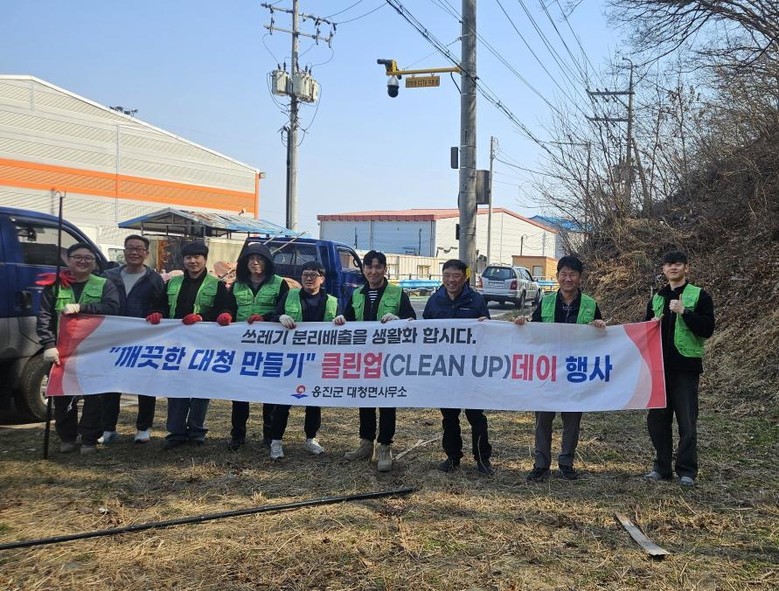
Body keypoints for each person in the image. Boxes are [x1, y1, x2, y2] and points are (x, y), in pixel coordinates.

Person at [514, 255, 606, 482]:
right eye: (564, 274)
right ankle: (541, 465)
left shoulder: (590, 304)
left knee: (572, 420)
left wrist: (599, 326)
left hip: (575, 371)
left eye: (572, 274)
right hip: (548, 370)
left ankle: (566, 463)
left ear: (580, 278)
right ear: (557, 277)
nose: (568, 278)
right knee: (542, 420)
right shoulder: (546, 302)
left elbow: (601, 339)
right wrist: (524, 324)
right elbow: (534, 331)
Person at [334, 250, 416, 472]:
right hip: (364, 357)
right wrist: (341, 319)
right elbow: (349, 319)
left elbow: (412, 319)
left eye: (378, 267)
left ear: (385, 269)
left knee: (387, 401)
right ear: (363, 269)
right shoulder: (357, 294)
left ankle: (385, 446)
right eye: (369, 267)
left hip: (389, 358)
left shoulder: (397, 293)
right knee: (366, 398)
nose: (373, 271)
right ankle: (366, 443)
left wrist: (398, 319)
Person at [146, 240, 232, 449]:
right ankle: (176, 432)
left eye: (197, 257)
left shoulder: (216, 285)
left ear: (205, 259)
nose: (193, 261)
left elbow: (225, 309)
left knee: (200, 388)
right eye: (188, 258)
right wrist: (158, 313)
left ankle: (196, 431)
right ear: (183, 260)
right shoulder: (172, 283)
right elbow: (160, 304)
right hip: (175, 343)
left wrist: (204, 317)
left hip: (204, 344)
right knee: (176, 386)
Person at [36, 242, 120, 455]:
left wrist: (83, 308)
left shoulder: (104, 284)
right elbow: (44, 316)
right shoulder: (55, 286)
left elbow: (112, 308)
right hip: (62, 351)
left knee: (95, 396)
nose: (83, 261)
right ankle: (67, 437)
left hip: (94, 349)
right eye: (78, 257)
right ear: (68, 260)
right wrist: (48, 344)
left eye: (88, 258)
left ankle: (89, 438)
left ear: (94, 262)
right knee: (62, 395)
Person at [644, 250, 715, 487]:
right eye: (668, 264)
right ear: (663, 270)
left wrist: (684, 312)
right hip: (658, 369)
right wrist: (651, 324)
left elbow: (707, 328)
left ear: (686, 268)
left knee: (687, 422)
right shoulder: (657, 298)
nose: (673, 268)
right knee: (657, 421)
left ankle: (687, 470)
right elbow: (644, 331)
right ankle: (661, 467)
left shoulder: (699, 295)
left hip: (686, 368)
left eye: (678, 264)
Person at [422, 259, 494, 475]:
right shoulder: (435, 300)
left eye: (456, 276)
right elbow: (424, 331)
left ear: (465, 277)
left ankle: (482, 459)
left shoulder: (476, 300)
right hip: (445, 369)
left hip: (471, 368)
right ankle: (452, 457)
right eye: (447, 275)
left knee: (476, 416)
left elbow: (489, 331)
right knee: (449, 416)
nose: (451, 280)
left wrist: (485, 324)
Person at [267, 261, 339, 461]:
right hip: (291, 359)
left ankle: (311, 439)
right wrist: (280, 317)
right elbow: (273, 316)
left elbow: (342, 324)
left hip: (318, 358)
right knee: (283, 401)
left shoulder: (332, 301)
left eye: (313, 275)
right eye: (305, 274)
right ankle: (276, 441)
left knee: (314, 401)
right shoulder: (289, 296)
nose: (309, 278)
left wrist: (340, 321)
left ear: (322, 279)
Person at [99, 235, 164, 445]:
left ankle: (143, 428)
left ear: (146, 253)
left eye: (139, 249)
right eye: (130, 248)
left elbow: (161, 305)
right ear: (124, 251)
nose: (134, 252)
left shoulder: (154, 279)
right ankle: (108, 428)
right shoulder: (108, 277)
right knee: (111, 384)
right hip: (113, 337)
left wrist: (157, 314)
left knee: (145, 383)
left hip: (143, 339)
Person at [225, 242, 289, 451]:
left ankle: (269, 435)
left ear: (267, 262)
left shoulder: (280, 283)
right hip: (242, 346)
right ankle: (237, 435)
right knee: (239, 392)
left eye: (260, 258)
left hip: (270, 347)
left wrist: (267, 317)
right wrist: (226, 315)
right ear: (245, 263)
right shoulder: (237, 284)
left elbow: (283, 310)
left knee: (269, 391)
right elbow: (229, 308)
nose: (255, 262)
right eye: (251, 259)